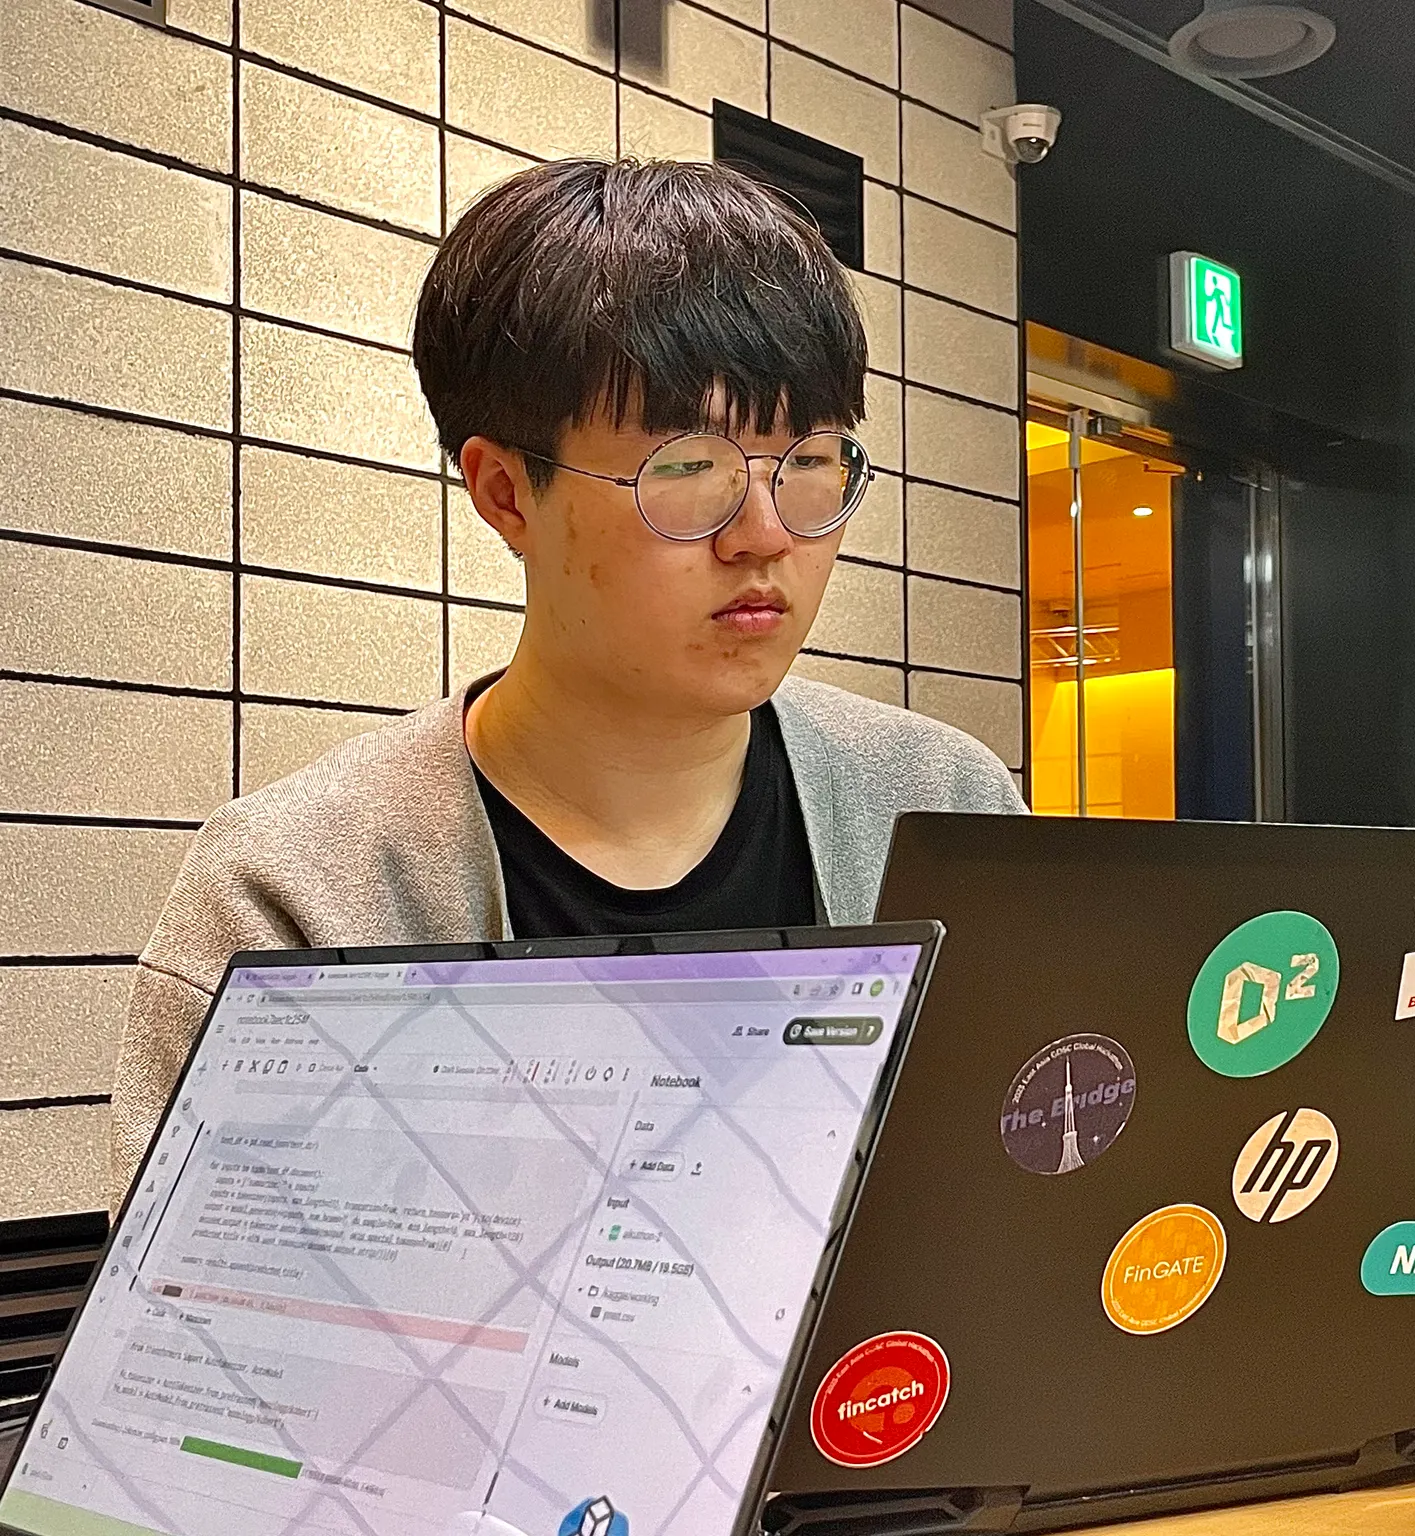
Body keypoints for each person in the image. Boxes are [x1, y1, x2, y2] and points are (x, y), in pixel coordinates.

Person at [110, 159, 1024, 1199]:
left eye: (809, 461)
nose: (766, 535)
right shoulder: (300, 894)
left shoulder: (941, 808)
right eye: (689, 468)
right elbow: (207, 1293)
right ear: (506, 493)